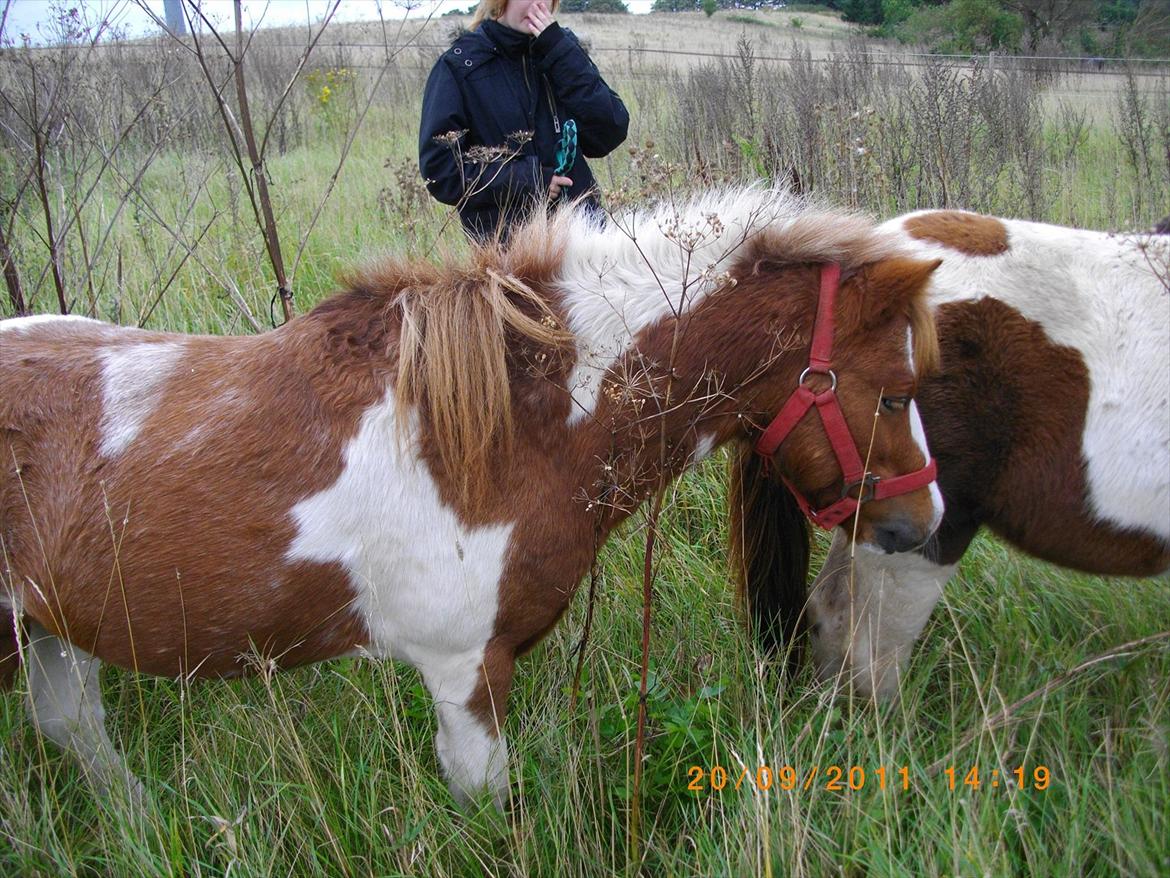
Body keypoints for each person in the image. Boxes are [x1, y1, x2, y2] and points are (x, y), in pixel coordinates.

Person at [419, 0, 629, 242]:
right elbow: (441, 173)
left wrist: (561, 54)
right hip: (510, 254)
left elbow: (609, 133)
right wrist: (532, 180)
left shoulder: (562, 51)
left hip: (584, 240)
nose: (538, 4)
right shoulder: (460, 66)